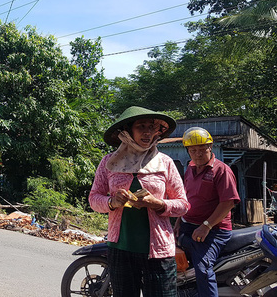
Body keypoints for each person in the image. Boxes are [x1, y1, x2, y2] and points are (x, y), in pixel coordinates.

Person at [89, 106, 189, 297]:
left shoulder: (165, 162)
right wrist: (112, 202)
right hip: (121, 249)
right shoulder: (109, 163)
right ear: (127, 131)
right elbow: (94, 199)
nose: (147, 132)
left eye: (151, 127)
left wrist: (159, 204)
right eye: (141, 126)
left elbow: (183, 204)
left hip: (159, 252)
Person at [174, 127, 240, 297]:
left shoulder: (221, 170)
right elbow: (188, 198)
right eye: (193, 150)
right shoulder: (189, 168)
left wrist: (206, 225)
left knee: (202, 268)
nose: (198, 154)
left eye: (202, 149)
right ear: (188, 151)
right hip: (189, 225)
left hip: (214, 230)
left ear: (210, 147)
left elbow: (228, 202)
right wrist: (179, 221)